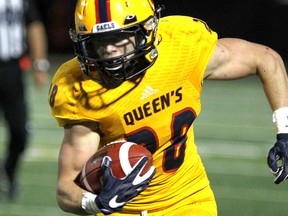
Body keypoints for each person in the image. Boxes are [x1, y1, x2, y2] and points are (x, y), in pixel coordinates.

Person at [48, 0, 288, 215]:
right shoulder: (81, 87)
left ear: (146, 30)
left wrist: (284, 131)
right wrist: (97, 203)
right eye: (98, 42)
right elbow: (66, 188)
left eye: (118, 38)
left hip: (188, 201)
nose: (109, 51)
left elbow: (265, 59)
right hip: (123, 211)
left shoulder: (181, 46)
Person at [0, 0, 49, 199]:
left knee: (20, 130)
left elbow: (34, 24)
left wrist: (39, 63)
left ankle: (9, 173)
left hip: (11, 70)